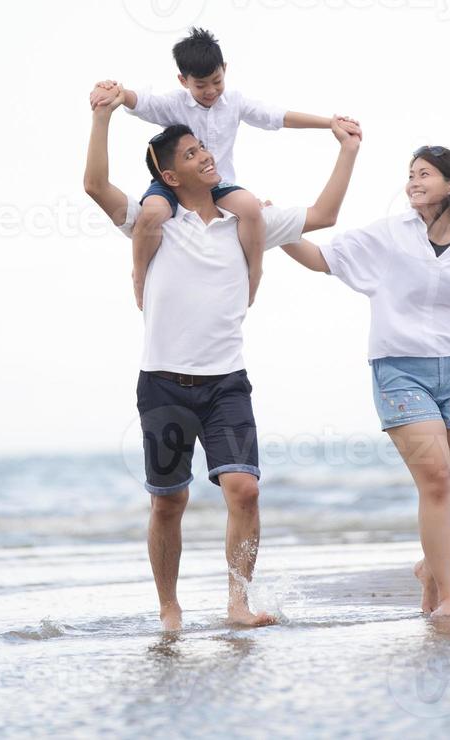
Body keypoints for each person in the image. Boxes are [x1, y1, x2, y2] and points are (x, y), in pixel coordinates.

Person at [82, 87, 363, 631]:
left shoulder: (246, 219)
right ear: (169, 176)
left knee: (245, 489)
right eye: (189, 154)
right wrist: (102, 118)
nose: (204, 155)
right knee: (169, 503)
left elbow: (325, 214)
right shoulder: (153, 222)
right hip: (163, 384)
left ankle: (238, 600)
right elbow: (94, 185)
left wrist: (346, 149)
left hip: (226, 385)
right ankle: (169, 607)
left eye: (202, 148)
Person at [279, 145, 450, 619]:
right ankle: (448, 597)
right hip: (400, 370)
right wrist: (278, 229)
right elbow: (320, 258)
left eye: (424, 174)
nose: (412, 181)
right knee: (437, 481)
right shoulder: (389, 235)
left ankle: (430, 567)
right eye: (409, 174)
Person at [88, 28, 361, 310]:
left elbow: (277, 117)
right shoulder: (173, 104)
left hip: (219, 185)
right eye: (201, 85)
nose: (210, 91)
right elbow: (142, 102)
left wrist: (329, 123)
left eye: (217, 81)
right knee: (153, 212)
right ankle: (140, 278)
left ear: (225, 70)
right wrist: (117, 93)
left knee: (250, 206)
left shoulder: (235, 103)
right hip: (175, 183)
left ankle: (253, 277)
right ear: (184, 81)